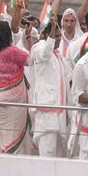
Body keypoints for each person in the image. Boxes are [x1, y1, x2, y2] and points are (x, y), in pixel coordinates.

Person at [0, 18, 30, 154]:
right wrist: (28, 38)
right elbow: (30, 61)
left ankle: (2, 159)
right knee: (14, 136)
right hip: (14, 101)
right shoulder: (13, 52)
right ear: (8, 35)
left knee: (2, 137)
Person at [28, 18, 70, 157]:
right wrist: (52, 28)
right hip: (46, 114)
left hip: (59, 114)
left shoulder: (57, 54)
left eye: (59, 36)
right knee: (48, 155)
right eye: (55, 36)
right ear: (46, 35)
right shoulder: (39, 49)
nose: (58, 39)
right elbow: (45, 53)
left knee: (59, 155)